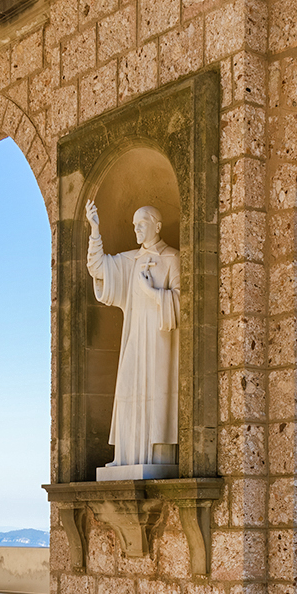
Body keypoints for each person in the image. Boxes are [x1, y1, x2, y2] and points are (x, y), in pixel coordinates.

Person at [85, 200, 179, 467]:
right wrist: (95, 231)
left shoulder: (172, 258)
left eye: (142, 224)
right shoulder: (130, 261)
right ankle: (125, 456)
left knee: (157, 393)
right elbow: (99, 268)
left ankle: (157, 458)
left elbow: (185, 301)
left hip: (161, 342)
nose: (136, 229)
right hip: (135, 338)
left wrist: (152, 293)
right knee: (127, 387)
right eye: (134, 225)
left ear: (157, 226)